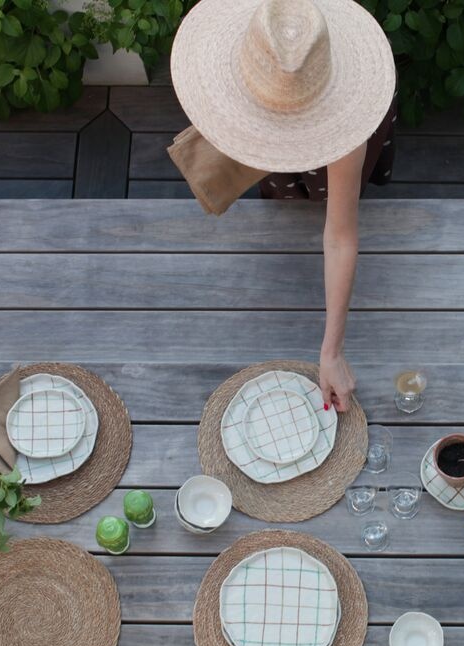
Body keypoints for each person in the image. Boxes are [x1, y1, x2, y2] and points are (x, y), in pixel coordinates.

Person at [169, 0, 397, 413]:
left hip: (332, 103)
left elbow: (340, 236)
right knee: (282, 191)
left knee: (334, 192)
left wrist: (332, 351)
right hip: (275, 68)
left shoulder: (342, 119)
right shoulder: (265, 36)